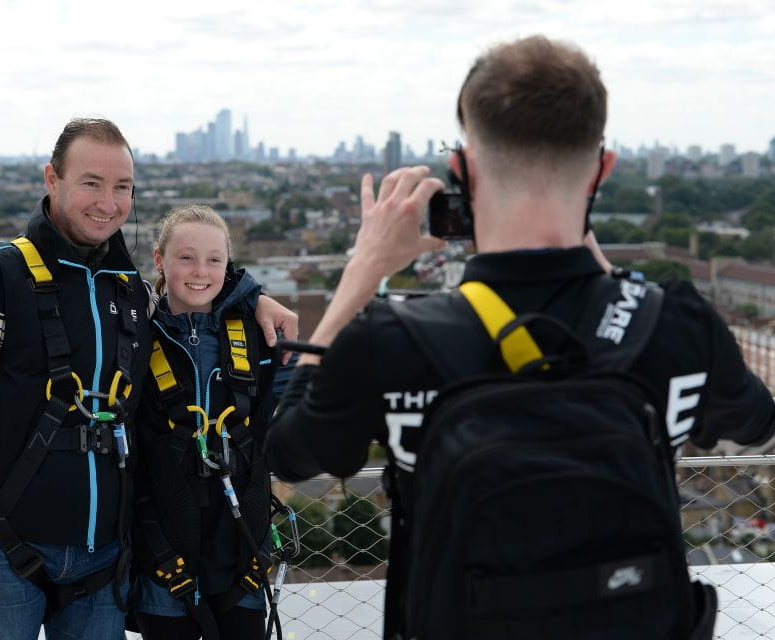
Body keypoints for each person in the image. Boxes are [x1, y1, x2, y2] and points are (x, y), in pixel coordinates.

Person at [264, 36, 775, 637]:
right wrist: (612, 284)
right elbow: (758, 423)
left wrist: (363, 270)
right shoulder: (679, 328)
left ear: (462, 172)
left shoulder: (390, 342)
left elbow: (287, 452)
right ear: (603, 169)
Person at [0, 117, 297, 640]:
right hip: (4, 547)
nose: (107, 202)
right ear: (53, 179)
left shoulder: (130, 294)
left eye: (122, 187)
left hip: (105, 557)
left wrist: (253, 296)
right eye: (91, 182)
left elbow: (196, 291)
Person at [130, 205, 288, 640]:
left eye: (214, 260)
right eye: (186, 257)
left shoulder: (254, 335)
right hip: (162, 557)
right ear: (159, 260)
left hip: (240, 558)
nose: (200, 271)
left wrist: (255, 298)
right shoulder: (136, 335)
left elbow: (297, 397)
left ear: (228, 265)